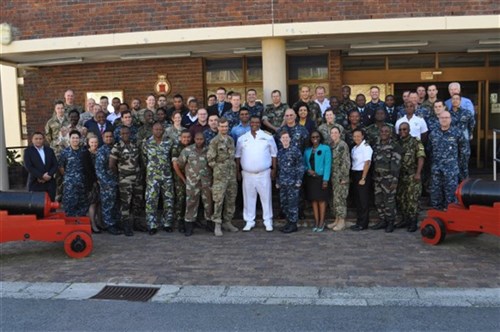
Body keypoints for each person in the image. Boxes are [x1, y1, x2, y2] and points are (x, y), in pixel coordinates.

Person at [236, 116, 277, 232]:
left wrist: (274, 169)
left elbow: (274, 154)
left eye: (257, 122)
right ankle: (249, 221)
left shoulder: (268, 137)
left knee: (266, 198)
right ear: (249, 123)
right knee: (248, 198)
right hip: (247, 173)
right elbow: (238, 156)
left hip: (263, 173)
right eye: (252, 122)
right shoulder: (242, 139)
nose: (255, 124)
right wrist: (237, 171)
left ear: (260, 124)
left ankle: (268, 221)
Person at [174, 132, 213, 237]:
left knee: (208, 203)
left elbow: (213, 165)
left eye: (201, 139)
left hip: (206, 182)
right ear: (194, 139)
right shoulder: (187, 150)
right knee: (191, 203)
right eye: (197, 139)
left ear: (204, 139)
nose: (199, 141)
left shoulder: (209, 150)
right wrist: (185, 177)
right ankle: (189, 226)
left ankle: (210, 224)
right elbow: (179, 164)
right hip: (192, 183)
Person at [428, 111, 467, 210]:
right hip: (436, 169)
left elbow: (464, 151)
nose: (444, 119)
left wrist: (460, 166)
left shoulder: (457, 133)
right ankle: (437, 215)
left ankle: (451, 217)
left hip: (451, 169)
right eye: (442, 118)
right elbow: (429, 150)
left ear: (450, 119)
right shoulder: (433, 134)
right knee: (436, 194)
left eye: (446, 117)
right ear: (439, 119)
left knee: (451, 195)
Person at [207, 118, 239, 236]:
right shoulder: (214, 141)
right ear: (218, 127)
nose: (224, 128)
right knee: (218, 200)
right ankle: (217, 224)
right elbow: (210, 159)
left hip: (231, 175)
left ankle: (227, 221)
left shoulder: (230, 140)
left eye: (226, 126)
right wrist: (218, 169)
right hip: (220, 176)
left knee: (231, 199)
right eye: (222, 126)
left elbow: (233, 157)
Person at [143, 123, 175, 234]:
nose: (158, 131)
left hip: (166, 176)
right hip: (152, 177)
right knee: (151, 201)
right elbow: (144, 159)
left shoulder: (169, 142)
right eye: (156, 129)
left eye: (160, 129)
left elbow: (172, 158)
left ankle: (167, 223)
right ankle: (152, 225)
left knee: (168, 200)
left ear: (163, 130)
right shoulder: (146, 142)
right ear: (152, 130)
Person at [110, 126, 143, 237]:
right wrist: (121, 174)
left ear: (130, 133)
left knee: (137, 201)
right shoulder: (117, 147)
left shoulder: (135, 145)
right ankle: (126, 226)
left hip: (137, 179)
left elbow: (140, 162)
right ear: (120, 135)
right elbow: (111, 165)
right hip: (125, 180)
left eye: (127, 133)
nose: (125, 135)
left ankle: (136, 223)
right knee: (126, 203)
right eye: (123, 133)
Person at [370, 125, 402, 233]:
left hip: (389, 178)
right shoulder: (377, 145)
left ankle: (391, 222)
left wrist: (394, 179)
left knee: (389, 201)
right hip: (378, 177)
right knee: (378, 200)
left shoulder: (394, 146)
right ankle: (382, 220)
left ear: (390, 133)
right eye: (382, 131)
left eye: (386, 131)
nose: (383, 133)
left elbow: (396, 164)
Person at [396, 122, 425, 232]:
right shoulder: (398, 143)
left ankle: (413, 222)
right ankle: (405, 220)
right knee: (402, 199)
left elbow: (421, 157)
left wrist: (418, 173)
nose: (402, 132)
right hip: (401, 175)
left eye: (404, 129)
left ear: (409, 130)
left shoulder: (415, 142)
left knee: (412, 199)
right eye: (400, 130)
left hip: (413, 175)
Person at [276, 131, 304, 233]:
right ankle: (288, 222)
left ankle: (293, 224)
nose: (285, 139)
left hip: (293, 183)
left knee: (293, 204)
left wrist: (299, 180)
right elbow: (279, 168)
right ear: (280, 140)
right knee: (284, 204)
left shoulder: (295, 151)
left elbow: (300, 166)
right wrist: (278, 181)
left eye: (287, 138)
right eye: (283, 138)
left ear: (290, 139)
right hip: (283, 183)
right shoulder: (280, 152)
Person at [303, 130, 331, 232]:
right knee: (314, 201)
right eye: (313, 137)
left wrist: (326, 180)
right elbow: (304, 164)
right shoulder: (307, 151)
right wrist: (308, 170)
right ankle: (316, 221)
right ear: (310, 139)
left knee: (321, 201)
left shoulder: (325, 148)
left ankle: (321, 222)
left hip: (321, 178)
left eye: (317, 137)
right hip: (311, 179)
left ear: (320, 138)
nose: (315, 139)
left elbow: (328, 164)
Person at [95, 130, 121, 235]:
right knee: (108, 205)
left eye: (110, 137)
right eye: (107, 137)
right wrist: (106, 183)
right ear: (102, 137)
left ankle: (115, 223)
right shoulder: (102, 151)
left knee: (115, 205)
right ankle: (109, 225)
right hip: (107, 183)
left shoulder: (115, 148)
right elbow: (99, 170)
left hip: (117, 181)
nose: (109, 138)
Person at [58, 130, 88, 217]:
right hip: (70, 184)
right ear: (69, 139)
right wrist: (69, 177)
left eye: (77, 138)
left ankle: (81, 226)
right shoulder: (65, 152)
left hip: (82, 183)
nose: (75, 140)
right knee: (69, 204)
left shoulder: (84, 152)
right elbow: (61, 167)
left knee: (82, 205)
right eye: (73, 138)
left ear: (80, 139)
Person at [327, 126, 350, 232]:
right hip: (333, 176)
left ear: (339, 134)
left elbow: (346, 162)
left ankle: (342, 221)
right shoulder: (331, 145)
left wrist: (344, 177)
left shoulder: (342, 145)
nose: (334, 134)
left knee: (340, 199)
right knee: (335, 199)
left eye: (336, 132)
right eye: (332, 133)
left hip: (341, 176)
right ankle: (336, 219)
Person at [24, 132, 58, 202]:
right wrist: (41, 176)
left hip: (49, 182)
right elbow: (28, 166)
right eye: (36, 139)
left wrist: (49, 175)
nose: (38, 140)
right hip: (35, 182)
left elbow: (55, 165)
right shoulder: (28, 151)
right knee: (36, 205)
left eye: (40, 139)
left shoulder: (49, 150)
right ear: (32, 140)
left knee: (50, 205)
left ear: (43, 139)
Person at [350, 129, 373, 231]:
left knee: (363, 200)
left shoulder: (366, 147)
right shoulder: (354, 148)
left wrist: (363, 177)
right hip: (355, 174)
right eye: (354, 136)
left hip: (362, 174)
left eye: (358, 136)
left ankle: (364, 224)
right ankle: (359, 222)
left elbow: (367, 162)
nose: (356, 138)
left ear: (363, 136)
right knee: (358, 200)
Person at [170, 130, 192, 232]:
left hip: (191, 177)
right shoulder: (176, 148)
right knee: (180, 199)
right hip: (179, 178)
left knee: (190, 200)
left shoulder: (192, 147)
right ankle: (178, 221)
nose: (186, 139)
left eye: (188, 137)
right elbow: (175, 165)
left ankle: (188, 220)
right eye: (184, 137)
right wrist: (183, 179)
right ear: (180, 138)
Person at [450, 94, 475, 181]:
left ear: (460, 101)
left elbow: (471, 124)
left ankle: (464, 187)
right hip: (451, 143)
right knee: (452, 165)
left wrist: (470, 134)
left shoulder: (466, 113)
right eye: (453, 99)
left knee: (464, 165)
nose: (455, 101)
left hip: (464, 143)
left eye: (457, 99)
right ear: (451, 101)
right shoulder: (447, 113)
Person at [82, 135, 102, 233]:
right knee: (93, 203)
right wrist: (95, 179)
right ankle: (92, 224)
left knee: (99, 203)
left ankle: (99, 223)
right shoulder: (86, 154)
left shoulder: (100, 152)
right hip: (91, 182)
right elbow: (87, 170)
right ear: (88, 143)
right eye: (92, 142)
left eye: (96, 142)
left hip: (101, 181)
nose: (94, 144)